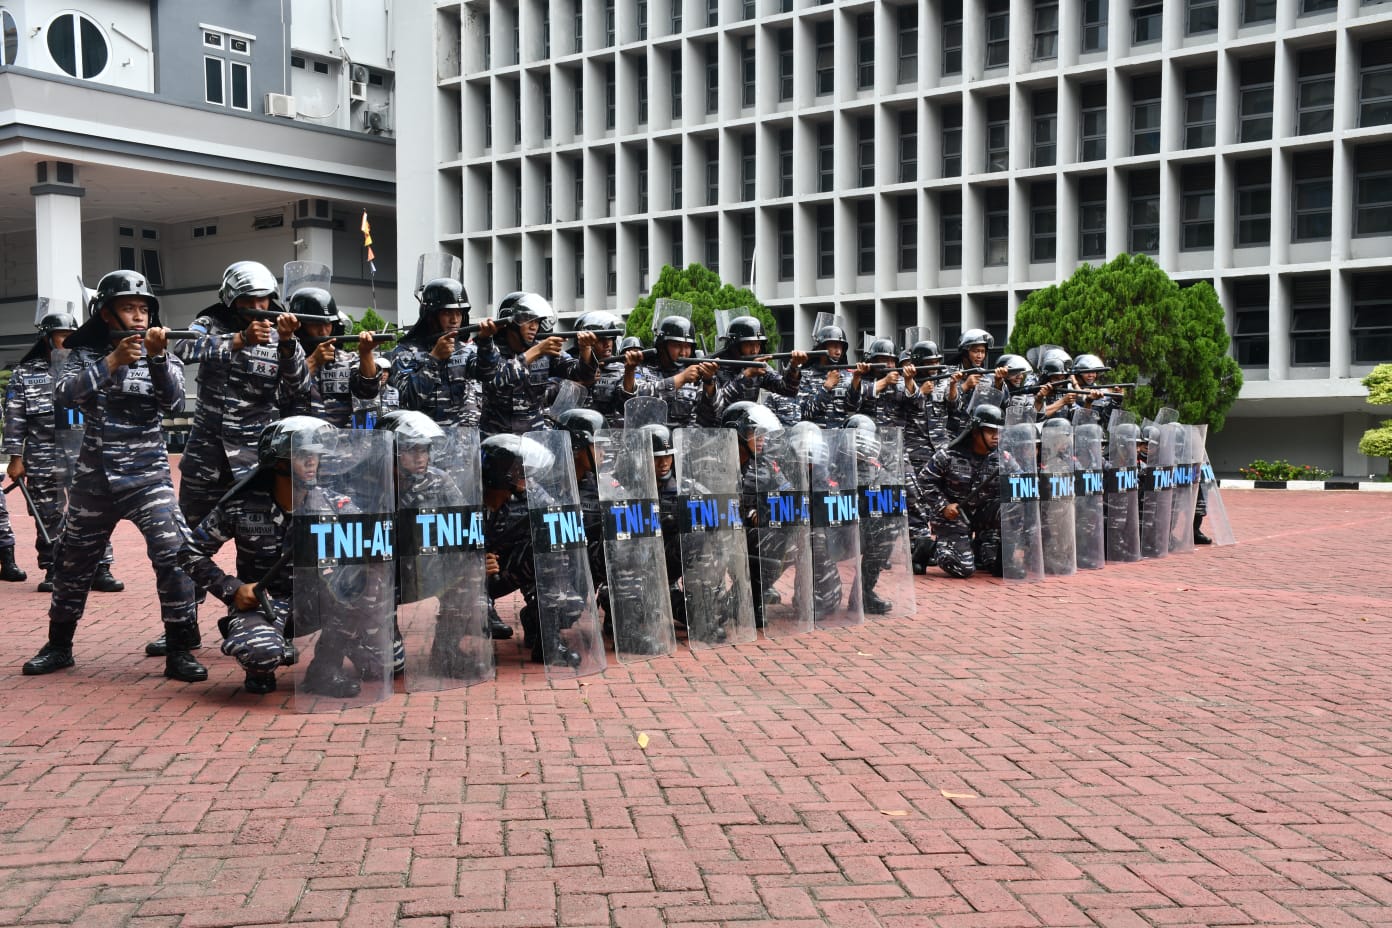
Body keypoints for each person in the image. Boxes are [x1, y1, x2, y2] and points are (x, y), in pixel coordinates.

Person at [21, 271, 205, 682]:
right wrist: (112, 362)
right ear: (106, 314)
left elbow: (174, 401)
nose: (139, 317)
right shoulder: (84, 356)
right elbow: (63, 397)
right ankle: (59, 646)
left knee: (174, 554)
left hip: (148, 477)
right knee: (72, 562)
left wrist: (156, 359)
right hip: (94, 480)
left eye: (144, 309)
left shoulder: (163, 353)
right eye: (129, 308)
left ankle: (179, 649)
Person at [176, 417, 363, 695]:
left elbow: (373, 544)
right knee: (262, 654)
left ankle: (325, 671)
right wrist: (233, 590)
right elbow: (190, 553)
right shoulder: (241, 505)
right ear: (278, 462)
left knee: (364, 601)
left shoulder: (334, 505)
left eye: (315, 455)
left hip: (315, 601)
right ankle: (258, 666)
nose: (312, 462)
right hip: (262, 605)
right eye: (302, 455)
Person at [5, 310, 123, 589]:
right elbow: (15, 418)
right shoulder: (25, 374)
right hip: (43, 454)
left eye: (72, 336)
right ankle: (54, 568)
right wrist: (15, 458)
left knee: (93, 512)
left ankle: (100, 568)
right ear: (47, 338)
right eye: (62, 336)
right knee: (48, 513)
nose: (67, 341)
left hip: (85, 451)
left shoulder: (90, 367)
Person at [481, 291, 599, 436]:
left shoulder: (544, 349)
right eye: (527, 319)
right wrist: (536, 352)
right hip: (496, 442)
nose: (533, 326)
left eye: (536, 321)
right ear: (509, 322)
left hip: (535, 440)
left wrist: (585, 349)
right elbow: (495, 380)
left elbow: (582, 375)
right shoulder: (488, 349)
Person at [387, 277, 498, 428]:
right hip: (423, 442)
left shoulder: (466, 350)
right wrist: (434, 358)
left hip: (461, 443)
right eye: (447, 313)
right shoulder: (406, 352)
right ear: (431, 316)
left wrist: (485, 342)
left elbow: (487, 374)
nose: (454, 320)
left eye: (458, 313)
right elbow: (408, 400)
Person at [918, 403, 1005, 579]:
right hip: (952, 516)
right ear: (975, 431)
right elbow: (925, 480)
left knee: (1013, 512)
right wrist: (944, 506)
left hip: (982, 515)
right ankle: (928, 547)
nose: (996, 437)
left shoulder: (1003, 457)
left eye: (998, 431)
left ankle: (981, 547)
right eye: (990, 431)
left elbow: (1018, 483)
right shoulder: (949, 455)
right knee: (962, 568)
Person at [293, 291, 380, 428]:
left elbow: (368, 391)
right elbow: (281, 394)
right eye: (316, 324)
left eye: (328, 324)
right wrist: (313, 361)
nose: (323, 331)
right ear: (300, 326)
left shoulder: (346, 359)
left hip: (340, 444)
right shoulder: (286, 358)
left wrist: (366, 352)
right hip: (299, 442)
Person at [631, 313, 719, 427]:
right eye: (677, 345)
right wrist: (681, 379)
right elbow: (636, 401)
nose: (683, 352)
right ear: (662, 346)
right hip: (649, 440)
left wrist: (709, 383)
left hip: (686, 441)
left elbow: (713, 416)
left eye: (687, 346)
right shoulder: (642, 369)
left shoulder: (696, 374)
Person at [798, 320, 866, 427]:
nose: (838, 352)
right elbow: (805, 413)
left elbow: (853, 408)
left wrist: (856, 381)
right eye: (834, 346)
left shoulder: (848, 376)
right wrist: (826, 387)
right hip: (814, 439)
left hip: (840, 439)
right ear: (822, 347)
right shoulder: (805, 376)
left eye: (841, 348)